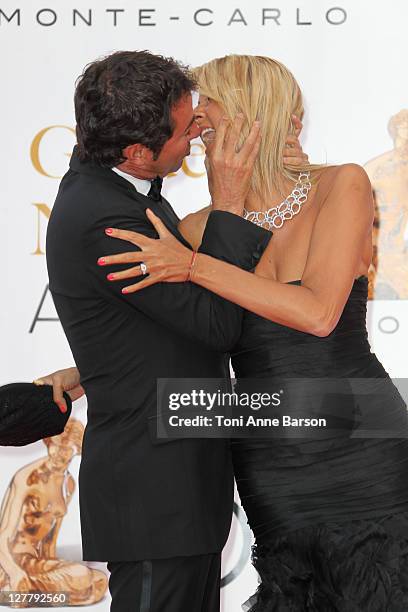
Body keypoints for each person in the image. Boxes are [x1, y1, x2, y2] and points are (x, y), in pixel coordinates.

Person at [97, 55, 408, 611]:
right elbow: (173, 333)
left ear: (247, 115)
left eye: (205, 112)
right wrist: (78, 376)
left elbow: (316, 313)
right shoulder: (193, 229)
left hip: (365, 448)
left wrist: (195, 267)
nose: (193, 128)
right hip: (273, 461)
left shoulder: (342, 185)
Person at [43, 50, 306, 612]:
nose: (198, 139)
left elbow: (152, 328)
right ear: (138, 152)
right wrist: (230, 203)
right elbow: (217, 324)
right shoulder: (106, 219)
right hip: (155, 496)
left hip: (172, 493)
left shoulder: (111, 190)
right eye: (189, 130)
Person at [0, 419, 108, 606]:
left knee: (99, 580)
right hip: (9, 562)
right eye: (56, 446)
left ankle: (23, 593)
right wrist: (15, 572)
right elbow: (3, 536)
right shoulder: (28, 478)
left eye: (67, 449)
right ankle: (17, 586)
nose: (59, 454)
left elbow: (50, 541)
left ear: (76, 450)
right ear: (49, 442)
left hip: (36, 562)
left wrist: (55, 566)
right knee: (84, 580)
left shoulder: (68, 484)